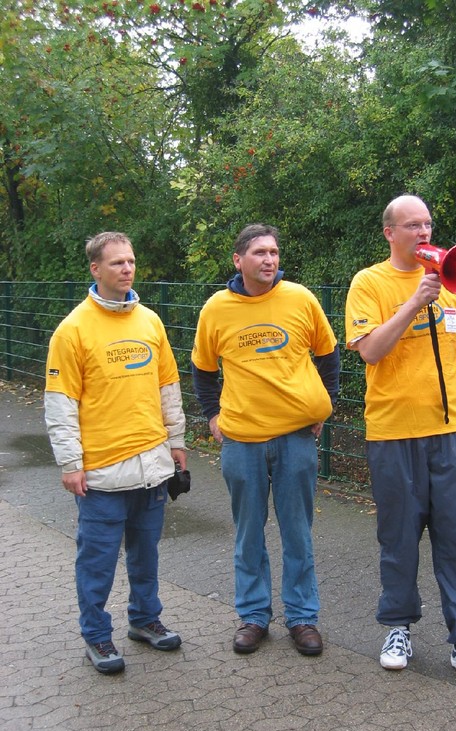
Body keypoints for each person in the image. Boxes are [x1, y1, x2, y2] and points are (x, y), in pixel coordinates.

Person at [345, 195, 456, 688]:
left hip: (454, 429)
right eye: (412, 225)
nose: (423, 233)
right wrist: (415, 301)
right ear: (389, 232)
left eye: (428, 225)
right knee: (398, 539)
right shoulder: (369, 283)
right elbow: (370, 351)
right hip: (394, 432)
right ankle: (398, 628)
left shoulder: (451, 276)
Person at [191, 223, 339, 656]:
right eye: (259, 252)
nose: (269, 260)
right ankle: (254, 616)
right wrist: (212, 416)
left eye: (274, 252)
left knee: (298, 533)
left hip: (296, 437)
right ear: (238, 260)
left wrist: (322, 406)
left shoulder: (301, 299)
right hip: (242, 442)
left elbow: (328, 355)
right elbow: (202, 368)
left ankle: (302, 618)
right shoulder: (216, 309)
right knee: (248, 533)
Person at [44, 231, 187, 674]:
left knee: (146, 555)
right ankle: (97, 636)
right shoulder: (73, 330)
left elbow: (169, 389)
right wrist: (71, 464)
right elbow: (60, 404)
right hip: (102, 474)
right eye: (117, 263)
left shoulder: (150, 322)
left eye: (131, 261)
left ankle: (145, 621)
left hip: (152, 467)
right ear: (95, 269)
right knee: (98, 562)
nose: (127, 269)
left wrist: (177, 444)